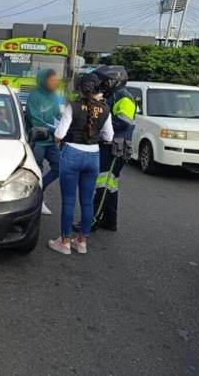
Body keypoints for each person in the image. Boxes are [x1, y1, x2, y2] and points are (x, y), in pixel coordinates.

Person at [48, 73, 113, 255]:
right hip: (93, 157)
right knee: (87, 202)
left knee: (68, 201)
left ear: (80, 88)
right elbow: (109, 137)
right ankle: (82, 242)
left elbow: (59, 134)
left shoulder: (73, 106)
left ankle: (65, 242)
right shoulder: (105, 109)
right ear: (97, 89)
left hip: (72, 155)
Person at [90, 65, 136, 232]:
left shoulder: (124, 98)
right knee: (110, 185)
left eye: (106, 81)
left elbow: (124, 121)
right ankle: (110, 221)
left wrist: (101, 120)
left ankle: (92, 220)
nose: (103, 84)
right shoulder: (113, 95)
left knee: (103, 184)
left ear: (115, 82)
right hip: (109, 146)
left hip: (115, 148)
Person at [26, 69, 62, 216]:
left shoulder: (55, 96)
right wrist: (53, 130)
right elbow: (34, 119)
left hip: (51, 141)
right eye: (52, 80)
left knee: (59, 167)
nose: (55, 83)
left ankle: (40, 192)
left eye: (56, 80)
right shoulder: (33, 97)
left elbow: (57, 114)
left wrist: (60, 127)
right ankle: (36, 201)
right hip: (38, 141)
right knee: (37, 171)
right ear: (43, 80)